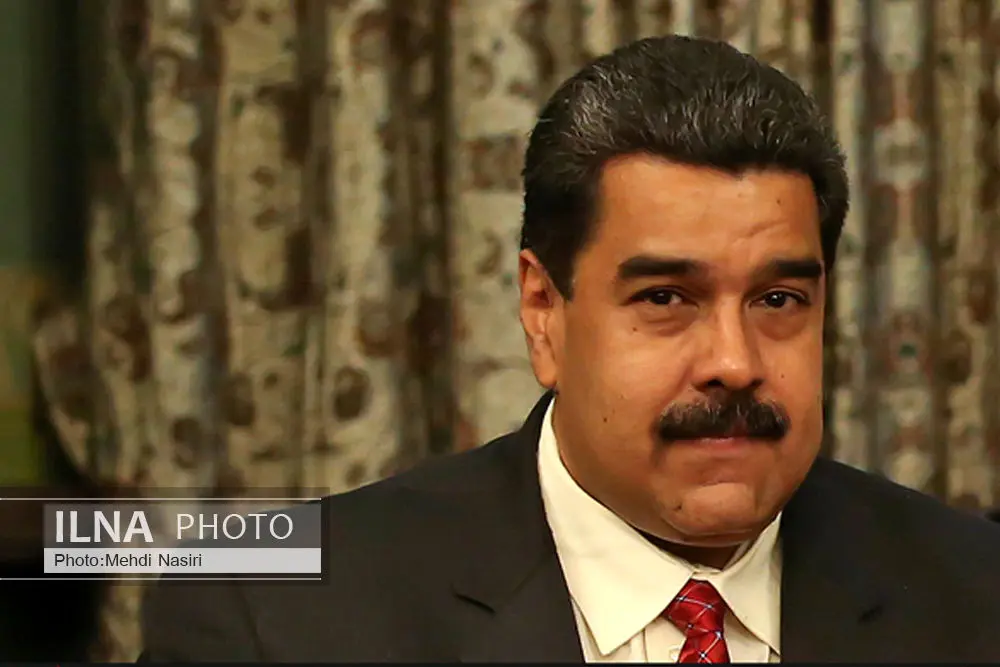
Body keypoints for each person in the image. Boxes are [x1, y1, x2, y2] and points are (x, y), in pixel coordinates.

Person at [139, 35, 1000, 663]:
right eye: (665, 299)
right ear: (543, 310)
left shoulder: (974, 595)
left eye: (778, 301)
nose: (735, 362)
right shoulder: (273, 613)